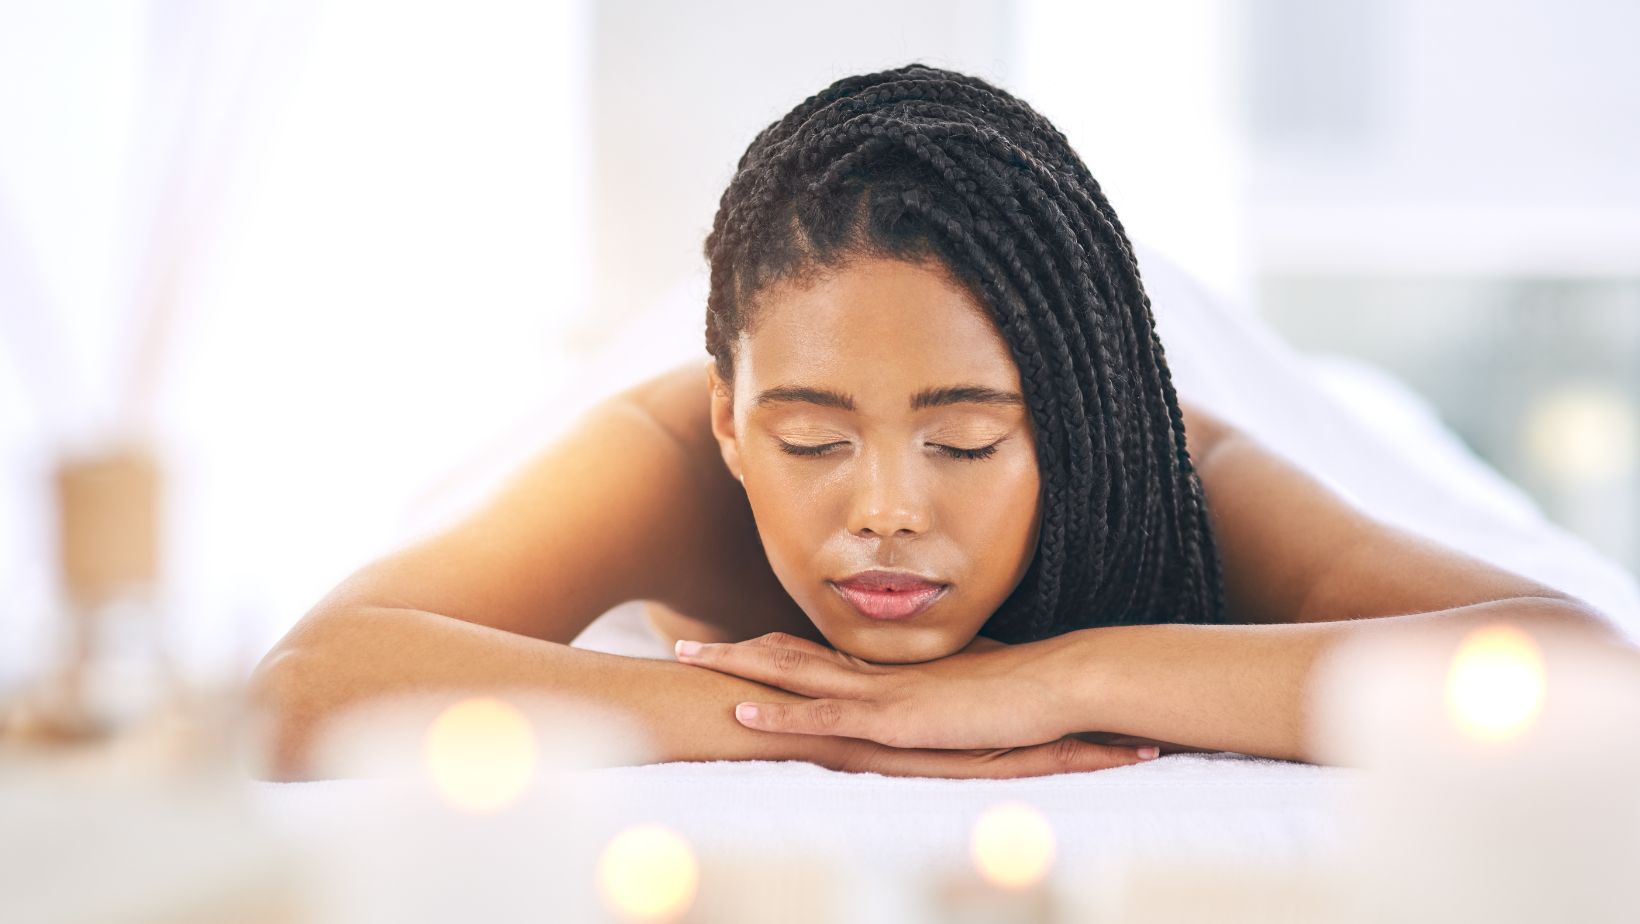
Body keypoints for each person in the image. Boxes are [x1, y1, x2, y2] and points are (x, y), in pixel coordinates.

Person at [249, 62, 1623, 782]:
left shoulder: (1187, 466)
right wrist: (851, 723)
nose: (886, 506)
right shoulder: (676, 449)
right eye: (809, 443)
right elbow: (304, 682)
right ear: (734, 426)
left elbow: (1585, 673)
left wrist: (1057, 676)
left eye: (964, 442)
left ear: (1072, 430)